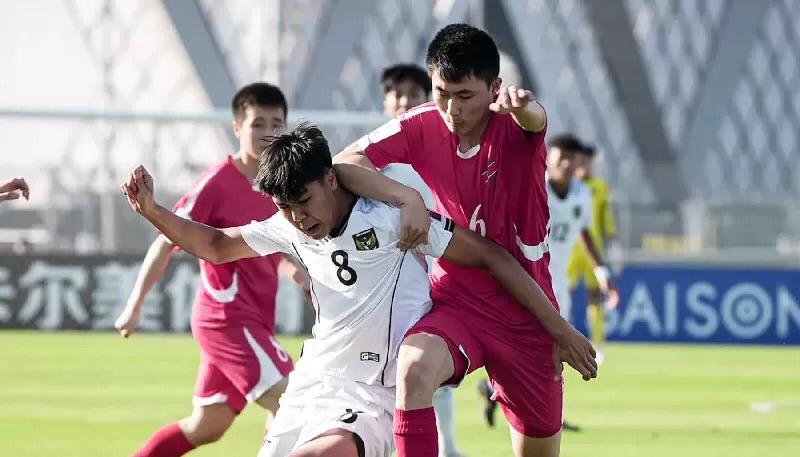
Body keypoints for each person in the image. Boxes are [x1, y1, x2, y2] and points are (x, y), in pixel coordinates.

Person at [120, 124, 583, 457]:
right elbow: (218, 245)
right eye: (286, 207)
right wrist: (152, 211)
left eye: (303, 201)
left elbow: (491, 255)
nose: (298, 217)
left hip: (374, 393)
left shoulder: (391, 219)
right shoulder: (290, 227)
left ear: (330, 179)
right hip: (310, 386)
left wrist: (558, 329)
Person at [333, 24, 597, 457]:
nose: (451, 108)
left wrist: (524, 107)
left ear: (494, 88)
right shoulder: (422, 124)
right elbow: (344, 163)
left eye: (465, 96)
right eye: (441, 92)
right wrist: (407, 197)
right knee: (414, 368)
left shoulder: (513, 127)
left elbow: (536, 120)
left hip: (528, 308)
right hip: (460, 298)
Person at [114, 83, 308, 457]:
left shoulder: (280, 184)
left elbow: (265, 248)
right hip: (228, 320)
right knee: (296, 402)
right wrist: (135, 304)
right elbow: (165, 240)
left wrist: (293, 271)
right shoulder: (217, 183)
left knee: (207, 426)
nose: (269, 132)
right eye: (258, 123)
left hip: (254, 321)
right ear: (237, 127)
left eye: (277, 123)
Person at [478, 134, 620, 431]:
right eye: (561, 158)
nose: (567, 164)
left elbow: (584, 232)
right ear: (549, 160)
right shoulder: (533, 185)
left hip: (559, 285)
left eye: (573, 158)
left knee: (556, 350)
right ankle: (507, 398)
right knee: (527, 350)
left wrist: (602, 273)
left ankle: (548, 413)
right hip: (527, 282)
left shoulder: (583, 193)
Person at [381, 63, 464, 457]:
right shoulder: (372, 163)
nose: (404, 102)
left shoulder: (439, 153)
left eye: (413, 95)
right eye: (396, 95)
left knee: (430, 372)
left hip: (438, 278)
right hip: (387, 286)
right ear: (385, 101)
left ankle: (447, 445)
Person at [567, 143, 620, 364]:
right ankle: (562, 341)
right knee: (561, 294)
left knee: (594, 296)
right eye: (582, 161)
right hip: (568, 249)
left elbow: (604, 217)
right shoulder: (566, 184)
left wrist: (613, 241)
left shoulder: (599, 187)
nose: (585, 165)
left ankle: (597, 345)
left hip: (592, 248)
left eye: (589, 162)